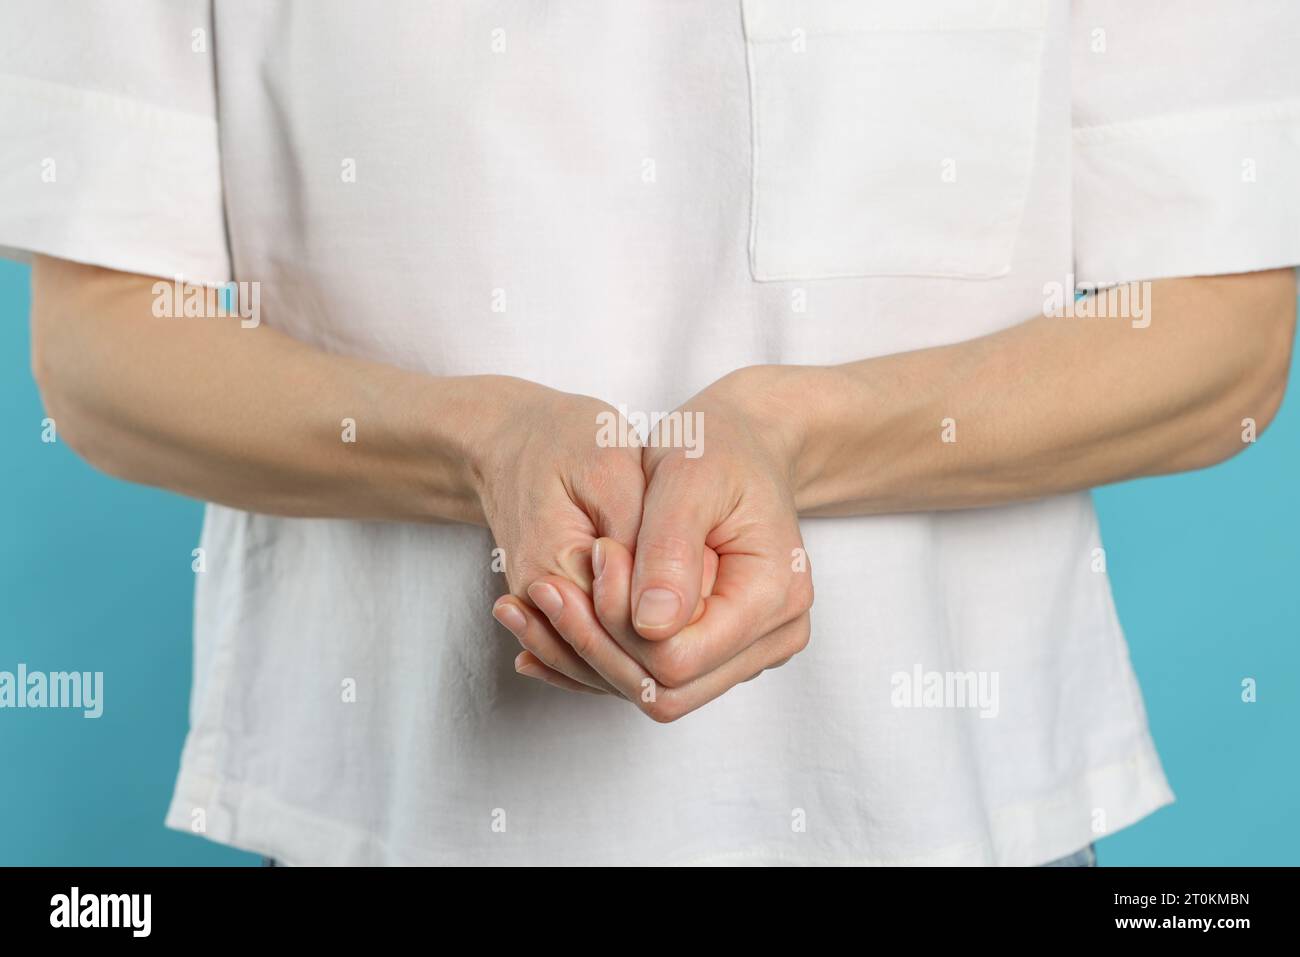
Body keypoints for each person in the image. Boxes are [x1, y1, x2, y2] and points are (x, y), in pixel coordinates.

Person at [2, 0, 1296, 866]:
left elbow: (1222, 331)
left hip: (953, 817)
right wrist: (478, 444)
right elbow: (103, 347)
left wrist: (801, 435)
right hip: (392, 821)